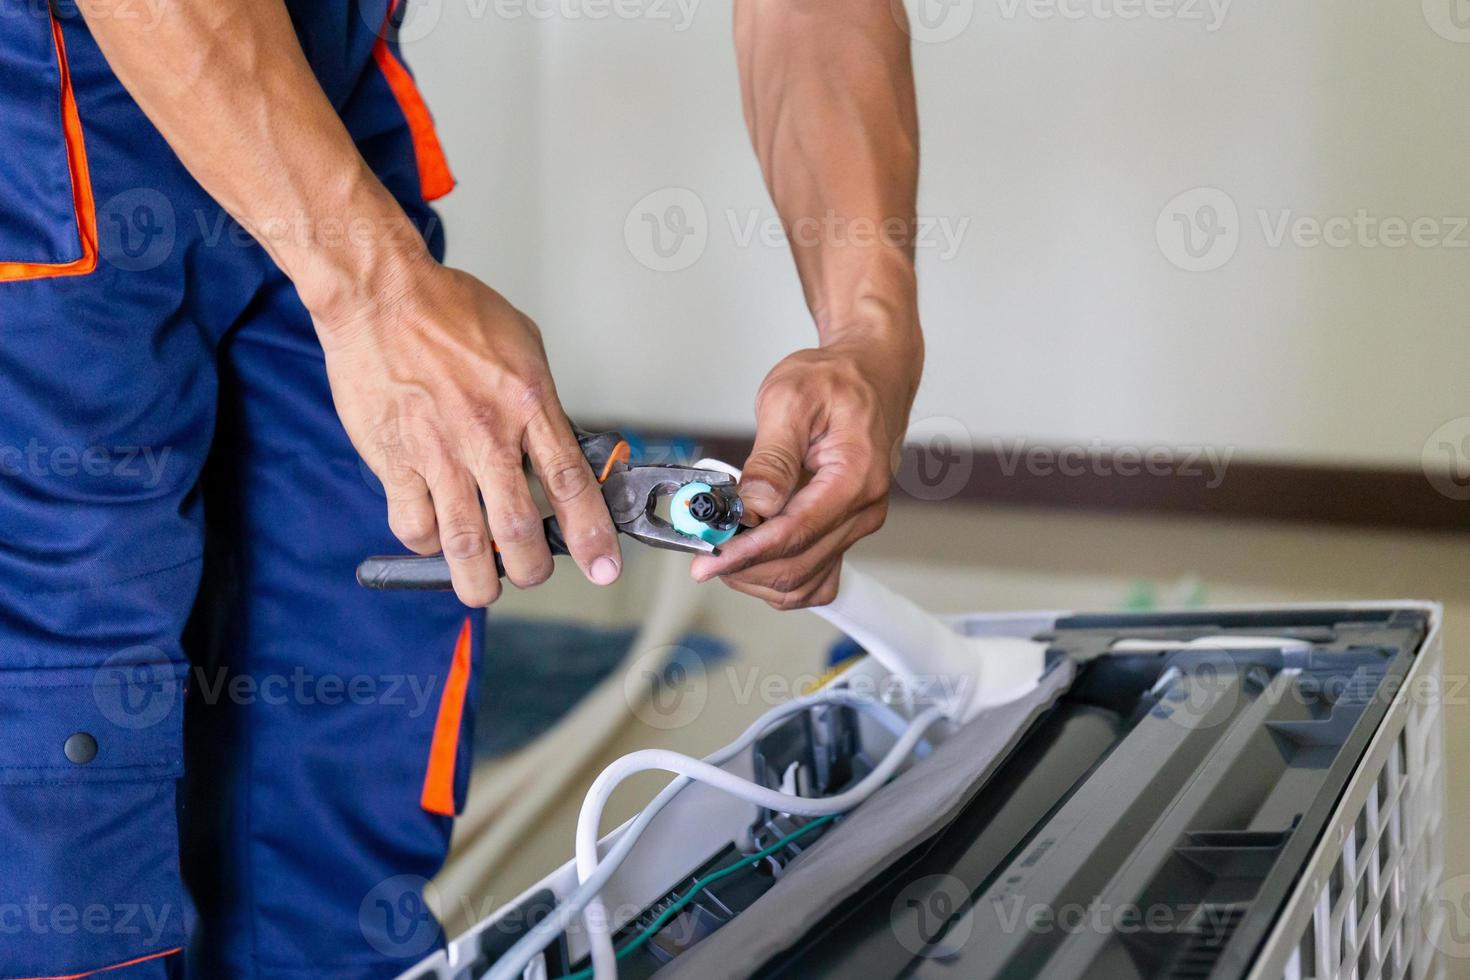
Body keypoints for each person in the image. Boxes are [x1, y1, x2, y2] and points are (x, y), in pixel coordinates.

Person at [0, 0, 923, 975]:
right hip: (49, 104)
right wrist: (372, 288)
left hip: (322, 88)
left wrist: (870, 324)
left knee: (344, 691)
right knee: (68, 732)